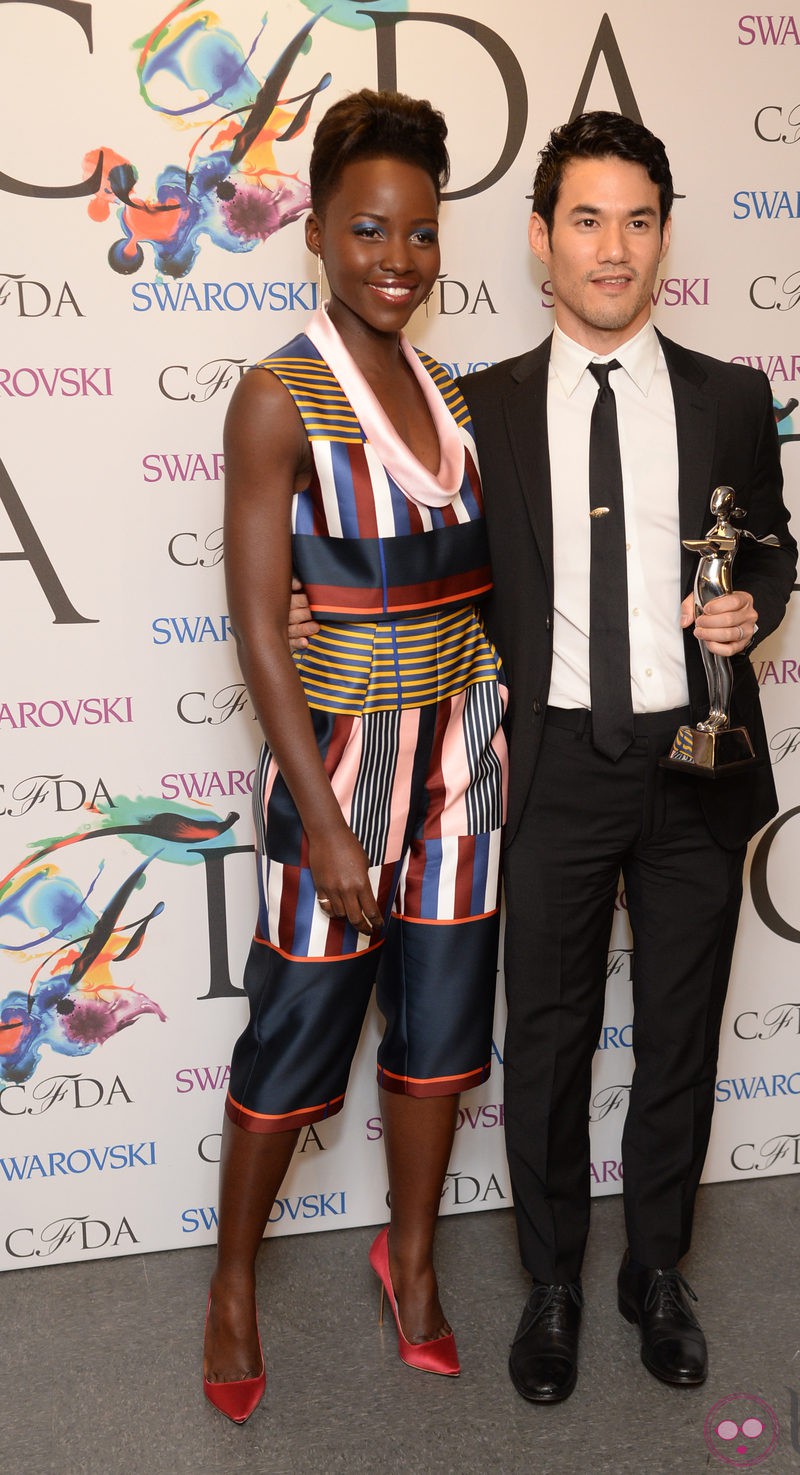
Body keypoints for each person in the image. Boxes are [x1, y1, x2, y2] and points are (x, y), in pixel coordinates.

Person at [291, 109, 796, 1404]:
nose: (611, 247)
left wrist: (756, 607)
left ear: (664, 237)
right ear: (538, 239)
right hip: (549, 766)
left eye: (636, 219)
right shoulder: (475, 410)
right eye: (586, 219)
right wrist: (322, 602)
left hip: (701, 764)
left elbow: (770, 547)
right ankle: (558, 1280)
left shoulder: (734, 399)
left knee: (682, 1036)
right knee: (551, 1044)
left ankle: (658, 1271)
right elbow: (415, 562)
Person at [205, 88, 507, 1423]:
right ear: (319, 234)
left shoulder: (451, 393)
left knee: (440, 1042)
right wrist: (325, 822)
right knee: (293, 1041)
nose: (398, 256)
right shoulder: (280, 395)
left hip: (464, 773)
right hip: (338, 778)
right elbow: (259, 625)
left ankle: (418, 1261)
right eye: (369, 229)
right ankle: (228, 1285)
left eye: (422, 234)